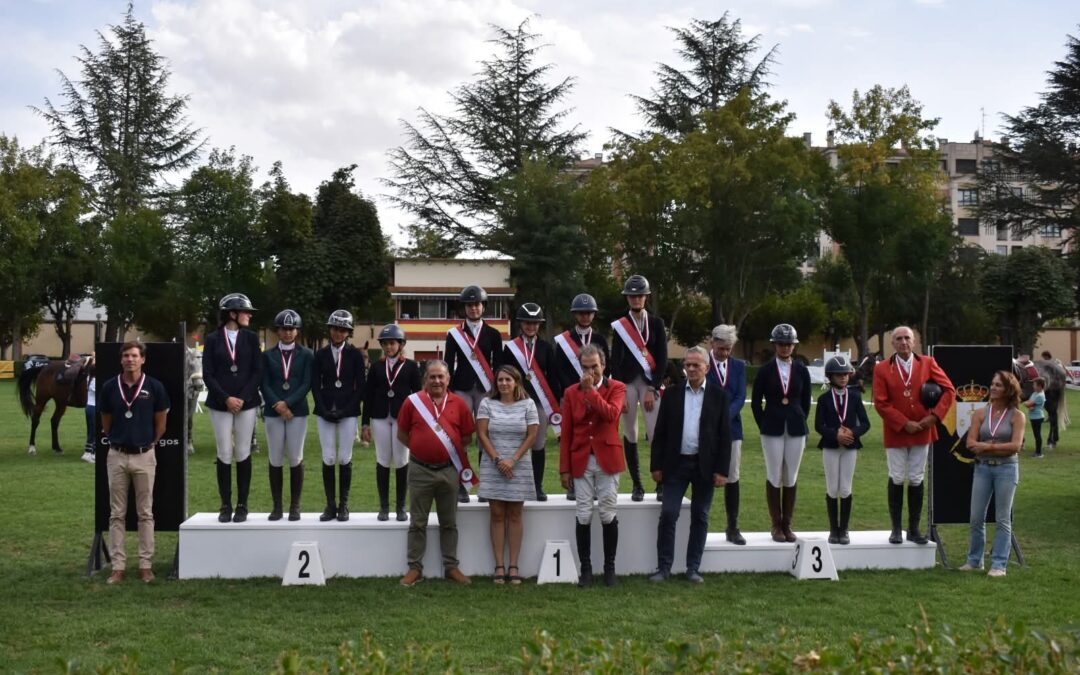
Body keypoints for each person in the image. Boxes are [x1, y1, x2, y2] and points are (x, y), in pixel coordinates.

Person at [649, 346, 731, 583]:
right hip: (675, 465)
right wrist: (656, 466)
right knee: (668, 514)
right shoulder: (672, 395)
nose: (692, 369)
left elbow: (725, 437)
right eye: (688, 365)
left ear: (707, 367)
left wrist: (722, 471)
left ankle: (692, 568)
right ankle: (664, 567)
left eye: (697, 365)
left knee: (700, 516)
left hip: (705, 466)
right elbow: (660, 433)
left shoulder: (719, 396)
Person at [872, 326, 956, 545]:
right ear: (893, 344)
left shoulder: (928, 363)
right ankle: (896, 529)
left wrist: (934, 417)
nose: (903, 342)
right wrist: (903, 422)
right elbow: (880, 403)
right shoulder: (881, 368)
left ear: (914, 341)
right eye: (898, 339)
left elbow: (949, 390)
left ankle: (914, 529)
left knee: (917, 477)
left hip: (923, 429)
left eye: (907, 338)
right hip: (896, 431)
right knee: (897, 477)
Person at [396, 360, 477, 586]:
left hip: (448, 471)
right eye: (432, 377)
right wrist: (424, 448)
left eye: (441, 376)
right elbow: (402, 434)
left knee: (449, 522)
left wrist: (442, 450)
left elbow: (467, 437)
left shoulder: (459, 404)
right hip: (420, 470)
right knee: (417, 522)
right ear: (425, 379)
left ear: (448, 379)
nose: (437, 381)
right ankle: (415, 568)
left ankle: (451, 566)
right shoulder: (413, 402)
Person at [99, 341, 170, 584]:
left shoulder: (154, 387)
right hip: (117, 455)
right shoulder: (110, 387)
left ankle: (145, 565)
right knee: (116, 514)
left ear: (143, 359)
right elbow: (106, 422)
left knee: (145, 513)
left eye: (135, 355)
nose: (130, 359)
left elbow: (161, 422)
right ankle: (117, 567)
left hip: (144, 456)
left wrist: (149, 443)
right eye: (126, 356)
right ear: (121, 360)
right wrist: (118, 440)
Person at [559, 345, 626, 587]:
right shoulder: (570, 392)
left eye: (594, 367)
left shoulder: (617, 388)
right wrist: (564, 468)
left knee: (608, 513)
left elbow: (611, 415)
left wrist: (591, 392)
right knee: (583, 513)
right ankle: (585, 569)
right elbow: (566, 431)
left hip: (608, 457)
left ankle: (610, 569)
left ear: (603, 366)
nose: (590, 372)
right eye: (585, 367)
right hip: (581, 458)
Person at [203, 293, 263, 523]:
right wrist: (226, 398)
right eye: (246, 312)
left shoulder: (251, 338)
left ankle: (242, 504)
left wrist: (242, 398)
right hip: (220, 404)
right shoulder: (212, 339)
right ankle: (225, 504)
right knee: (224, 452)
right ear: (232, 314)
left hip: (246, 404)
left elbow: (257, 371)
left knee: (243, 452)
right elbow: (208, 373)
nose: (249, 316)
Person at [477, 365, 539, 584]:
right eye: (500, 380)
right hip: (493, 465)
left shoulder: (528, 404)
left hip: (519, 466)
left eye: (508, 380)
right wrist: (498, 460)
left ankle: (513, 565)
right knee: (496, 514)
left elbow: (532, 436)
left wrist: (512, 460)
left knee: (514, 514)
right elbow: (482, 434)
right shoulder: (486, 403)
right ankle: (499, 566)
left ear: (516, 382)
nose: (503, 383)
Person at [960, 370, 1025, 577]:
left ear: (1008, 390)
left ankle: (999, 564)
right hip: (982, 469)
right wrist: (994, 446)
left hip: (1007, 468)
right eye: (992, 384)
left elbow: (1015, 446)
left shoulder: (1017, 416)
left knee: (1003, 519)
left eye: (998, 385)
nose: (993, 388)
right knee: (976, 517)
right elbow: (970, 442)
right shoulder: (980, 413)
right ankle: (974, 560)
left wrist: (986, 446)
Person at [751, 323, 811, 543]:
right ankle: (776, 525)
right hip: (772, 428)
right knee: (774, 474)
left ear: (794, 346)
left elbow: (805, 402)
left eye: (789, 344)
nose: (785, 348)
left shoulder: (802, 370)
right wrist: (764, 424)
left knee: (791, 475)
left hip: (796, 428)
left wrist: (799, 418)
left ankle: (788, 524)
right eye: (781, 344)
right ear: (774, 345)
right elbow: (756, 403)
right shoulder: (765, 371)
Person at [609, 274, 667, 502]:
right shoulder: (621, 325)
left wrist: (654, 387)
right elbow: (615, 358)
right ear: (627, 298)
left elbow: (662, 357)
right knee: (630, 432)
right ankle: (637, 485)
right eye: (632, 296)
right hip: (627, 382)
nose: (636, 299)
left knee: (654, 433)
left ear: (646, 297)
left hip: (650, 382)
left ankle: (660, 482)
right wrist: (620, 390)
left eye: (639, 296)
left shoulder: (656, 323)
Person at [444, 285, 503, 504]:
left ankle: (485, 485)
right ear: (464, 308)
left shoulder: (493, 334)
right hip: (462, 387)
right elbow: (448, 364)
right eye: (469, 305)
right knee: (461, 437)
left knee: (485, 436)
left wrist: (496, 390)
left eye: (477, 304)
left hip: (486, 389)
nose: (473, 309)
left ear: (483, 306)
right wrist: (448, 392)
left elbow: (498, 365)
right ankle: (462, 484)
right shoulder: (454, 334)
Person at [552, 293, 610, 501]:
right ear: (575, 315)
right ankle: (574, 485)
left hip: (595, 394)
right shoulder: (563, 340)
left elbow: (606, 368)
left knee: (594, 437)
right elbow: (558, 369)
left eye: (588, 313)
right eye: (581, 313)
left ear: (593, 315)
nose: (585, 317)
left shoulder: (601, 339)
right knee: (572, 438)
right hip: (572, 395)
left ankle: (595, 484)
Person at [362, 324, 422, 521]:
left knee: (402, 460)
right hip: (380, 417)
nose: (389, 347)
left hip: (402, 418)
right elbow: (368, 396)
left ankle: (400, 507)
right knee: (383, 459)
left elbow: (419, 396)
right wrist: (365, 424)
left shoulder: (412, 366)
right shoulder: (376, 367)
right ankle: (384, 507)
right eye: (385, 344)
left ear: (401, 344)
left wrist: (417, 422)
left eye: (392, 343)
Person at [502, 303, 560, 501]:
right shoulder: (510, 348)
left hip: (539, 403)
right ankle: (514, 485)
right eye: (527, 323)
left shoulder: (545, 347)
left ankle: (537, 485)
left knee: (538, 444)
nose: (531, 327)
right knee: (515, 444)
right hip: (516, 401)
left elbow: (552, 376)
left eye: (535, 323)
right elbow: (503, 374)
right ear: (521, 324)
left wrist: (555, 403)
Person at [260, 309, 314, 521]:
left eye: (292, 329)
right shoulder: (267, 356)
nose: (288, 333)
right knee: (275, 457)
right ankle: (277, 506)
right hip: (274, 412)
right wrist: (277, 404)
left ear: (297, 331)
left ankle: (295, 506)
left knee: (295, 457)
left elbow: (306, 383)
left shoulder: (307, 355)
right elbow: (263, 383)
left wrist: (288, 403)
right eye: (284, 329)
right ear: (279, 330)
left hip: (297, 412)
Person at [313, 309, 365, 522]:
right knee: (328, 457)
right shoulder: (320, 354)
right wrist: (323, 409)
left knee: (344, 457)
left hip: (348, 410)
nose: (338, 333)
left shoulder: (355, 355)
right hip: (325, 410)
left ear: (348, 332)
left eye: (342, 330)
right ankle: (330, 505)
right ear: (330, 330)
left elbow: (360, 386)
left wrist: (347, 409)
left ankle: (343, 504)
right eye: (335, 329)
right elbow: (315, 385)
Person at [814, 355, 871, 545]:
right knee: (832, 487)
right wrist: (835, 435)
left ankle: (844, 530)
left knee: (846, 487)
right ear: (831, 377)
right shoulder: (823, 399)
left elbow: (865, 423)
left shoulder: (855, 397)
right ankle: (833, 529)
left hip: (850, 447)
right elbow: (818, 425)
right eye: (839, 375)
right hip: (831, 446)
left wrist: (852, 433)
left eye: (846, 374)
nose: (844, 378)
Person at [706, 325, 748, 545]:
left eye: (728, 349)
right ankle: (700, 525)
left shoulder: (739, 367)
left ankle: (732, 526)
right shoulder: (703, 365)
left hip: (733, 429)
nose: (724, 353)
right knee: (705, 476)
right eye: (721, 348)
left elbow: (741, 397)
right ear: (712, 343)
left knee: (732, 476)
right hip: (707, 429)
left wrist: (724, 418)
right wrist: (714, 421)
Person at [1036, 351, 1068, 449]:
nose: (1043, 358)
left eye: (1044, 356)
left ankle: (1053, 436)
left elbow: (1066, 370)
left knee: (1052, 410)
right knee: (1050, 411)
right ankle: (1054, 435)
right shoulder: (1051, 362)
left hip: (1053, 388)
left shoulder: (1055, 363)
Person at [1024, 377, 1047, 458]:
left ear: (1040, 386)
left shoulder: (1039, 396)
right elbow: (1028, 403)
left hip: (1037, 417)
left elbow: (1027, 404)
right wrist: (1029, 404)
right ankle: (1037, 452)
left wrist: (1029, 404)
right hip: (1034, 417)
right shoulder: (1035, 393)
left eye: (1034, 385)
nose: (1033, 386)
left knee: (1037, 435)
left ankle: (1038, 453)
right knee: (1036, 435)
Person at [82, 364, 97, 464]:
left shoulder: (89, 378)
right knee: (92, 431)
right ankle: (87, 453)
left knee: (94, 431)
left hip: (90, 407)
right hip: (93, 407)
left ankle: (93, 453)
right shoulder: (93, 380)